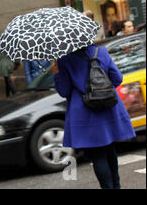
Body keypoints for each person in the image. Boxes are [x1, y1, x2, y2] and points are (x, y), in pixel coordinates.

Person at [51, 45, 136, 189]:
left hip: (85, 113)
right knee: (109, 150)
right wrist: (101, 90)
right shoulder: (101, 51)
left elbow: (64, 90)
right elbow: (117, 78)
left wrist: (56, 72)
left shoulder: (64, 59)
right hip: (108, 107)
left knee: (98, 155)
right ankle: (117, 186)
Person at [0, 33, 18, 97]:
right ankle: (7, 94)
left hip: (2, 64)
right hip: (9, 63)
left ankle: (15, 93)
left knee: (8, 79)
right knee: (6, 79)